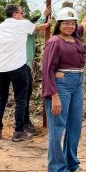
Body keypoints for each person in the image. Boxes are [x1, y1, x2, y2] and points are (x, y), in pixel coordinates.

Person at [42, 0, 86, 172]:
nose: (69, 26)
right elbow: (47, 70)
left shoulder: (76, 37)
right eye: (65, 23)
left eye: (72, 23)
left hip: (78, 83)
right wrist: (54, 95)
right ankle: (56, 168)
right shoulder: (54, 42)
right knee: (58, 126)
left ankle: (72, 163)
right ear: (59, 24)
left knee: (75, 125)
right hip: (61, 85)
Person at [0, 4, 50, 141]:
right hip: (18, 67)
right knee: (21, 100)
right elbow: (39, 27)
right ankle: (18, 132)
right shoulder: (23, 24)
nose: (22, 15)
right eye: (21, 13)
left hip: (2, 69)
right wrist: (47, 23)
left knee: (1, 99)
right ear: (15, 14)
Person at [23, 7, 51, 136]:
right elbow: (36, 27)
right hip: (23, 67)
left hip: (24, 66)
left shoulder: (28, 34)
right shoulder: (27, 31)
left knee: (25, 96)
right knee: (24, 97)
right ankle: (24, 124)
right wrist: (44, 16)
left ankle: (25, 122)